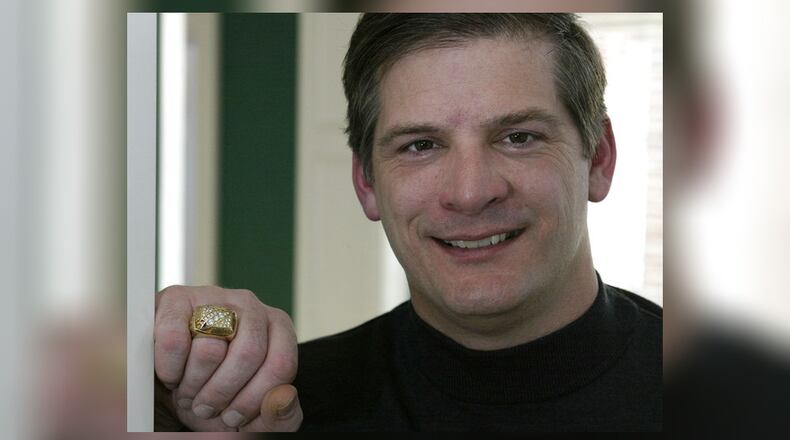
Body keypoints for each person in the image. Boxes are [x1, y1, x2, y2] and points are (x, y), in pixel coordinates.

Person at [154, 13, 662, 432]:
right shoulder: (272, 412)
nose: (470, 192)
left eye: (519, 137)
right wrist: (151, 380)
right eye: (421, 145)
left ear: (598, 158)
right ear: (367, 183)